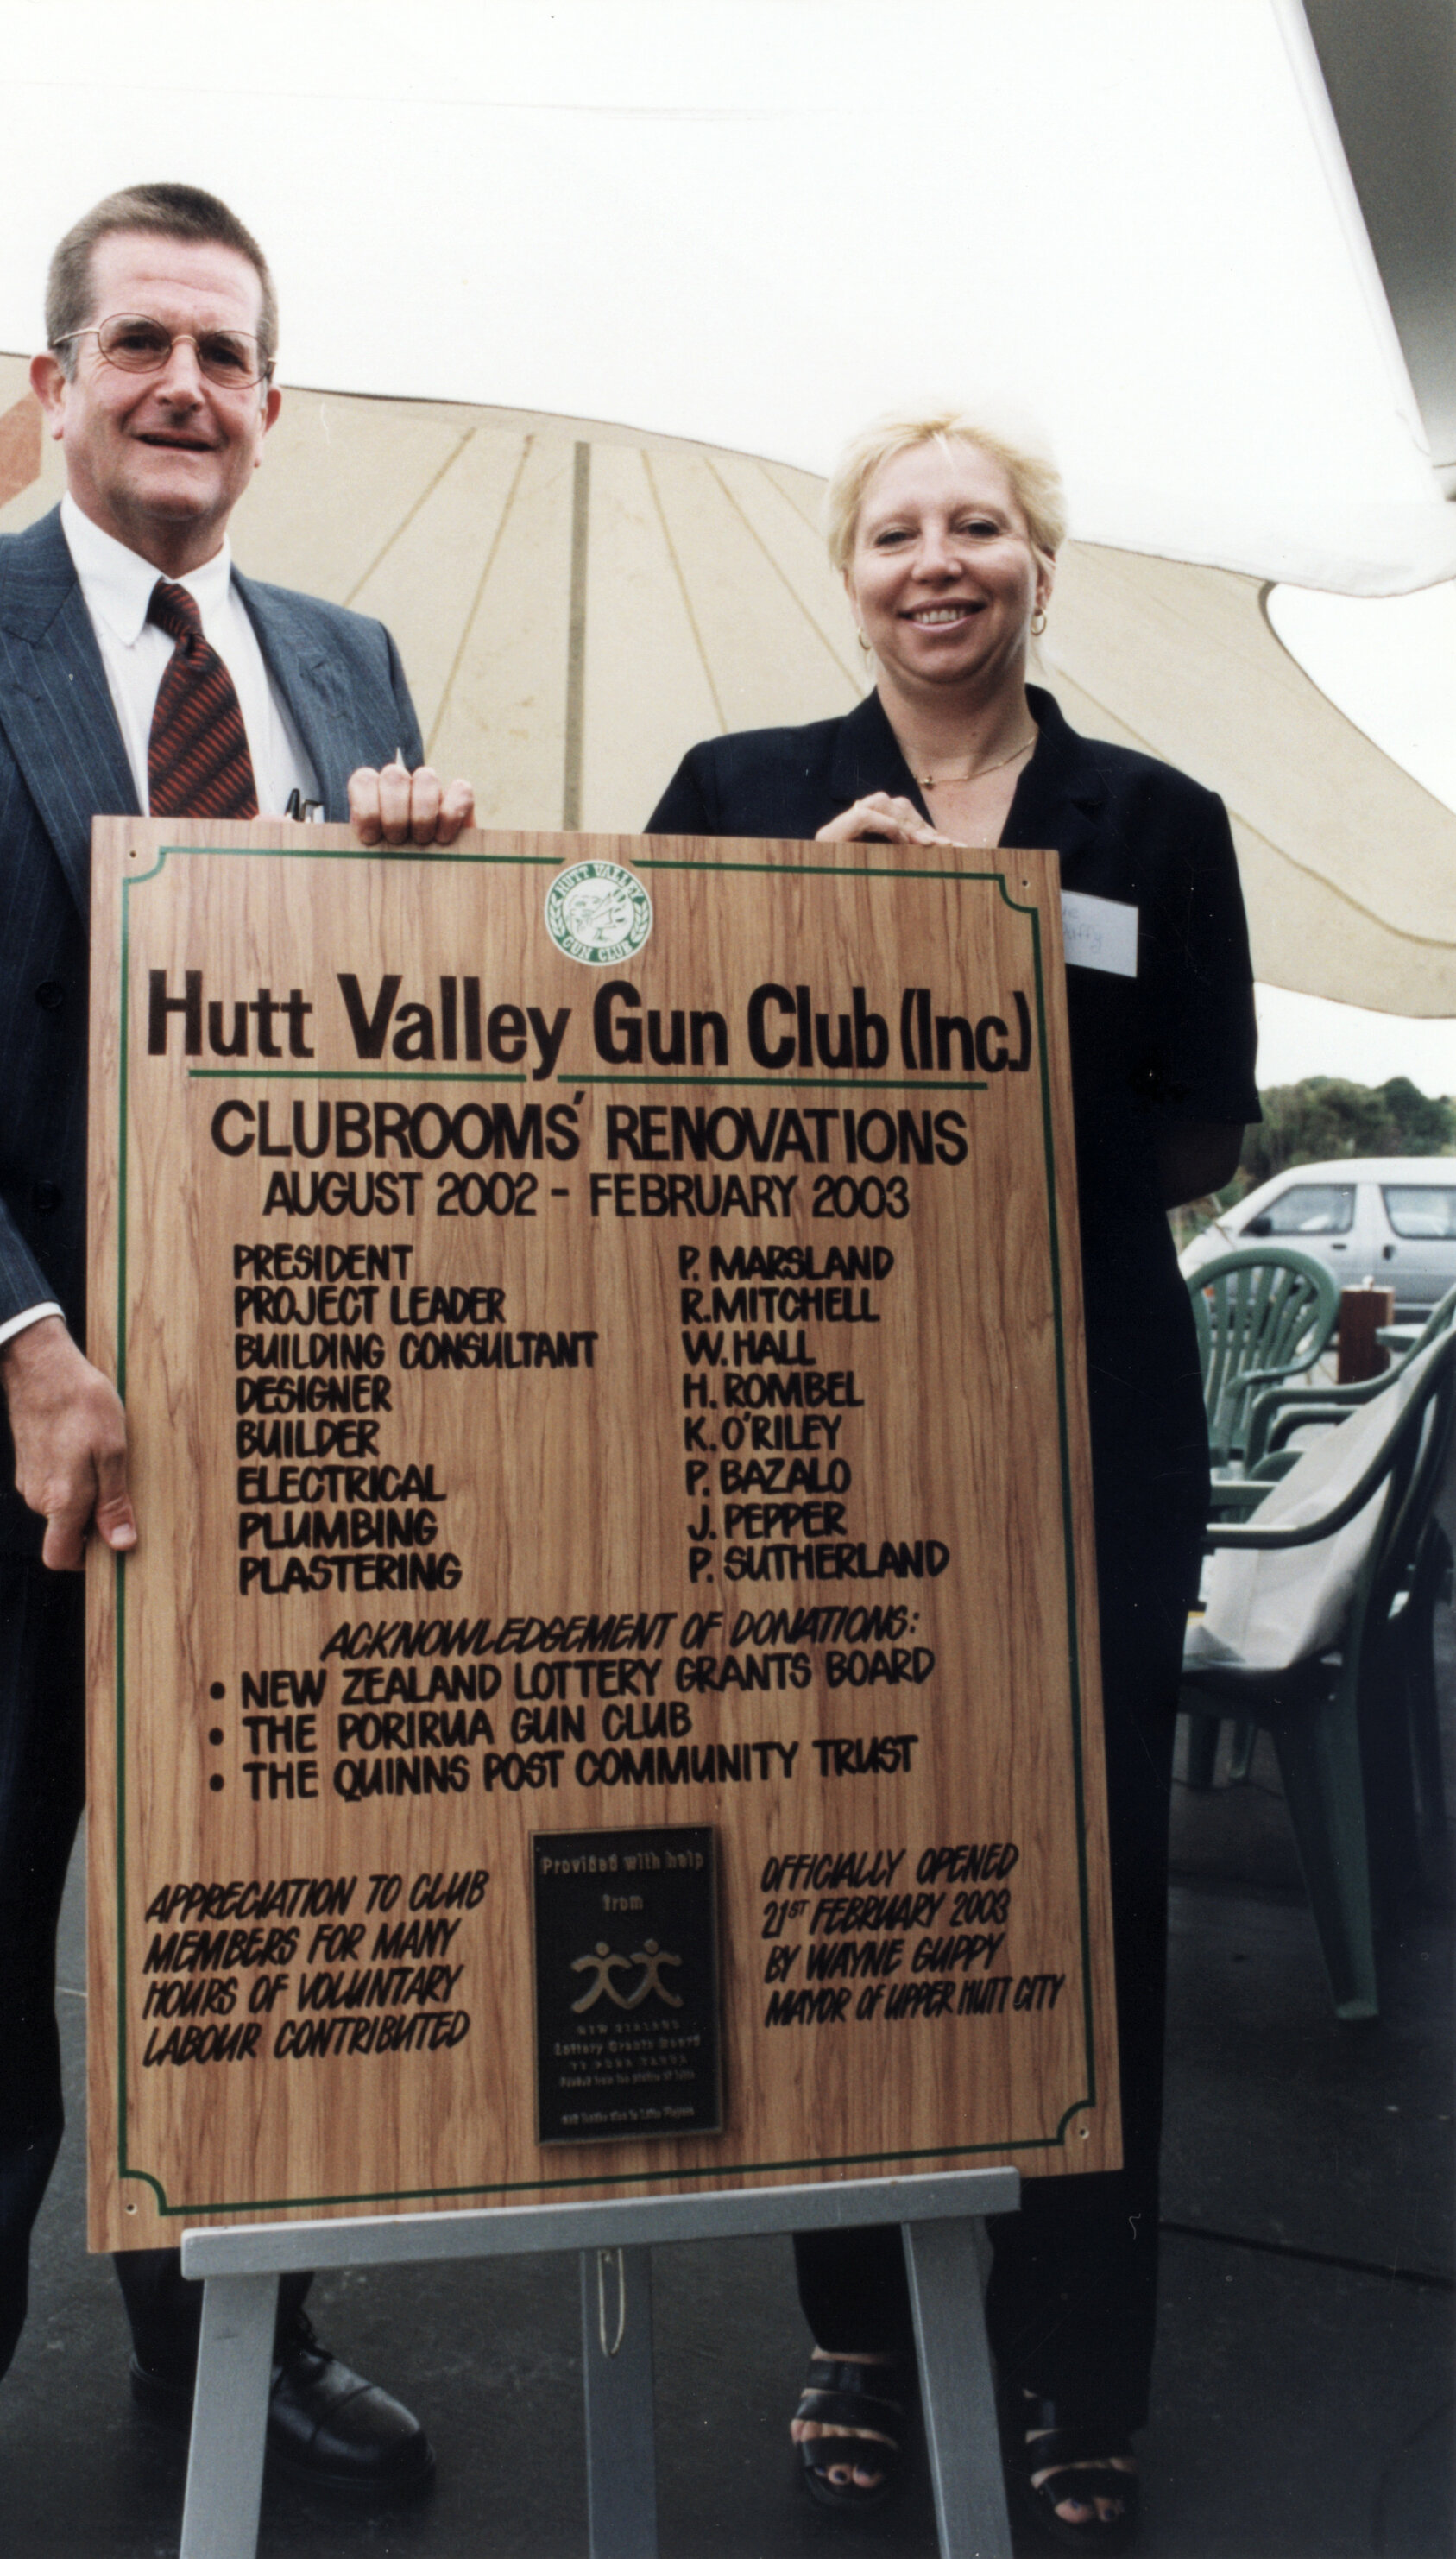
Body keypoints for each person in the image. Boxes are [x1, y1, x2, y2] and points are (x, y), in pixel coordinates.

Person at [0, 182, 476, 2559]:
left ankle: (243, 2341)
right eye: (141, 342)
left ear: (271, 405)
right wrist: (26, 1343)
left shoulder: (353, 667)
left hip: (299, 1424)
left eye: (224, 352)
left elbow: (399, 1033)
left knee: (259, 1923)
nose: (185, 384)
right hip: (12, 1416)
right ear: (54, 381)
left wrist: (420, 870)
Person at [647, 409, 1257, 2550]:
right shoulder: (734, 791)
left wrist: (977, 969)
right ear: (850, 573)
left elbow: (1200, 1130)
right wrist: (787, 948)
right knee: (829, 1864)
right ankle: (859, 2331)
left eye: (977, 526)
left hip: (1081, 1407)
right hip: (807, 1401)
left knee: (1086, 1887)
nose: (937, 560)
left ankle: (1079, 2362)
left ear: (1038, 568)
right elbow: (600, 1010)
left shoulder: (1156, 821)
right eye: (895, 529)